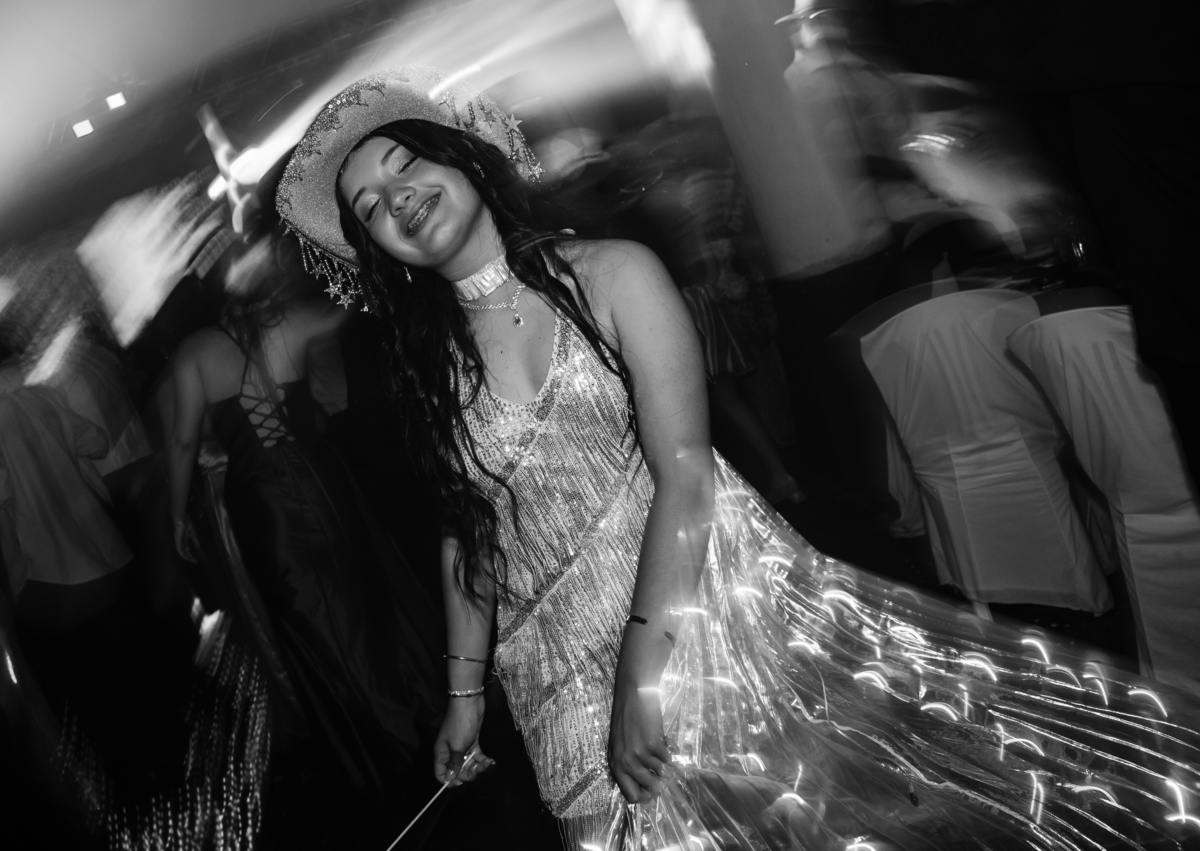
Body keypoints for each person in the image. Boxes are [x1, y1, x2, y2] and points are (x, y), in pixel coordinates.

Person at [276, 67, 1200, 850]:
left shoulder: (615, 272)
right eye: (369, 205)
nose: (396, 196)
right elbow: (467, 535)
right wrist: (464, 695)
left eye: (405, 163)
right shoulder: (425, 367)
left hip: (696, 617)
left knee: (789, 822)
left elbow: (686, 471)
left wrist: (642, 672)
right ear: (376, 247)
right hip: (549, 676)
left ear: (463, 158)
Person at [166, 230, 445, 797]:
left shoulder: (193, 353)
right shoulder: (290, 321)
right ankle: (415, 710)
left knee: (312, 622)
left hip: (263, 507)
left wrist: (176, 517)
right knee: (366, 596)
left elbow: (182, 444)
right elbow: (356, 303)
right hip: (324, 485)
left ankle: (378, 737)